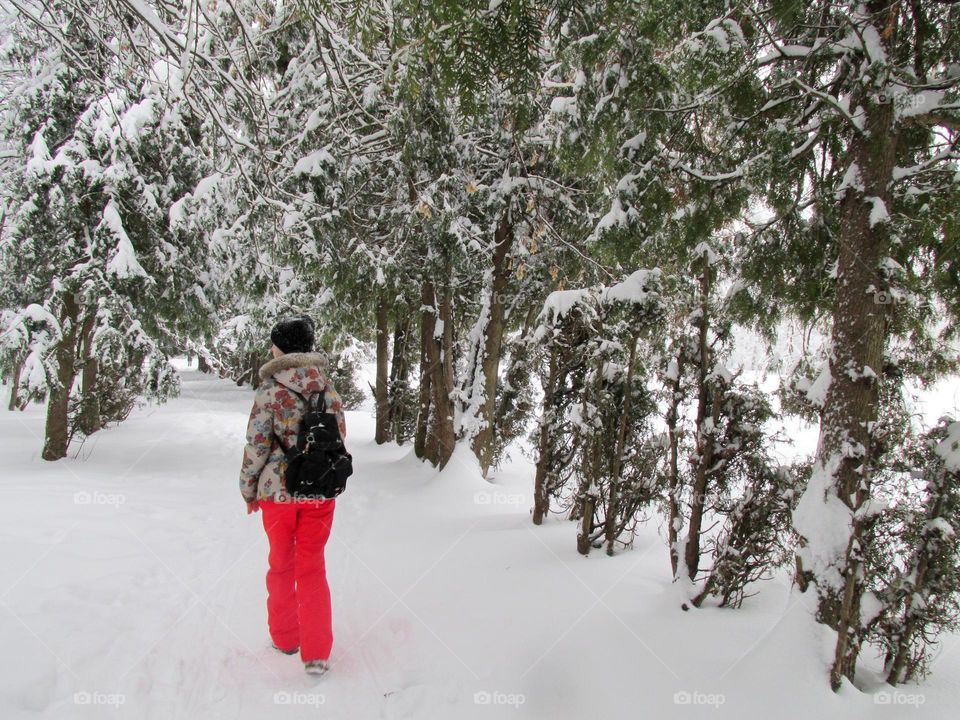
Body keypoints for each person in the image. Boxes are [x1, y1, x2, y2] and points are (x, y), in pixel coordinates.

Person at [238, 315, 347, 677]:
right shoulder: (328, 388)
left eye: (274, 343)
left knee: (281, 564)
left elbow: (257, 444)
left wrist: (248, 487)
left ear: (283, 347)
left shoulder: (269, 391)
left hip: (277, 494)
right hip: (319, 491)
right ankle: (316, 653)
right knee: (313, 567)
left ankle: (286, 638)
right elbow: (339, 437)